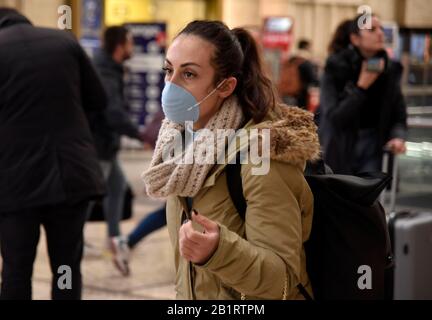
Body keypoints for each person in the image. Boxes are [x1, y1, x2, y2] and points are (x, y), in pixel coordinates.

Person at [142, 20, 320, 300]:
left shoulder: (263, 155)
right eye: (168, 70)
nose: (171, 85)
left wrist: (219, 252)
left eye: (188, 74)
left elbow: (283, 280)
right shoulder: (182, 151)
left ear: (225, 86)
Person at [0, 8, 106, 300]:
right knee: (66, 266)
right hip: (70, 176)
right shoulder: (64, 42)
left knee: (16, 269)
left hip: (15, 184)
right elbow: (99, 99)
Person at [87, 26, 145, 276]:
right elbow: (112, 111)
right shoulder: (104, 71)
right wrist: (139, 134)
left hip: (104, 144)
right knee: (88, 197)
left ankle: (114, 239)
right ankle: (71, 242)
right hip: (97, 144)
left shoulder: (109, 67)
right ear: (121, 45)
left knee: (116, 187)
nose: (132, 48)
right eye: (130, 43)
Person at [319, 15, 407, 174]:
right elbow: (334, 117)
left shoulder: (390, 69)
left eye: (381, 28)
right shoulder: (336, 67)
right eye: (372, 29)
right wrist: (361, 87)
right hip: (341, 148)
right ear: (355, 39)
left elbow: (398, 114)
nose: (380, 33)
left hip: (376, 147)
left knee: (371, 194)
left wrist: (397, 137)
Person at [278, 39, 319, 109]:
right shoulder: (306, 62)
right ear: (306, 47)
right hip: (300, 95)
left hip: (287, 93)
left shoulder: (291, 59)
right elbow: (313, 79)